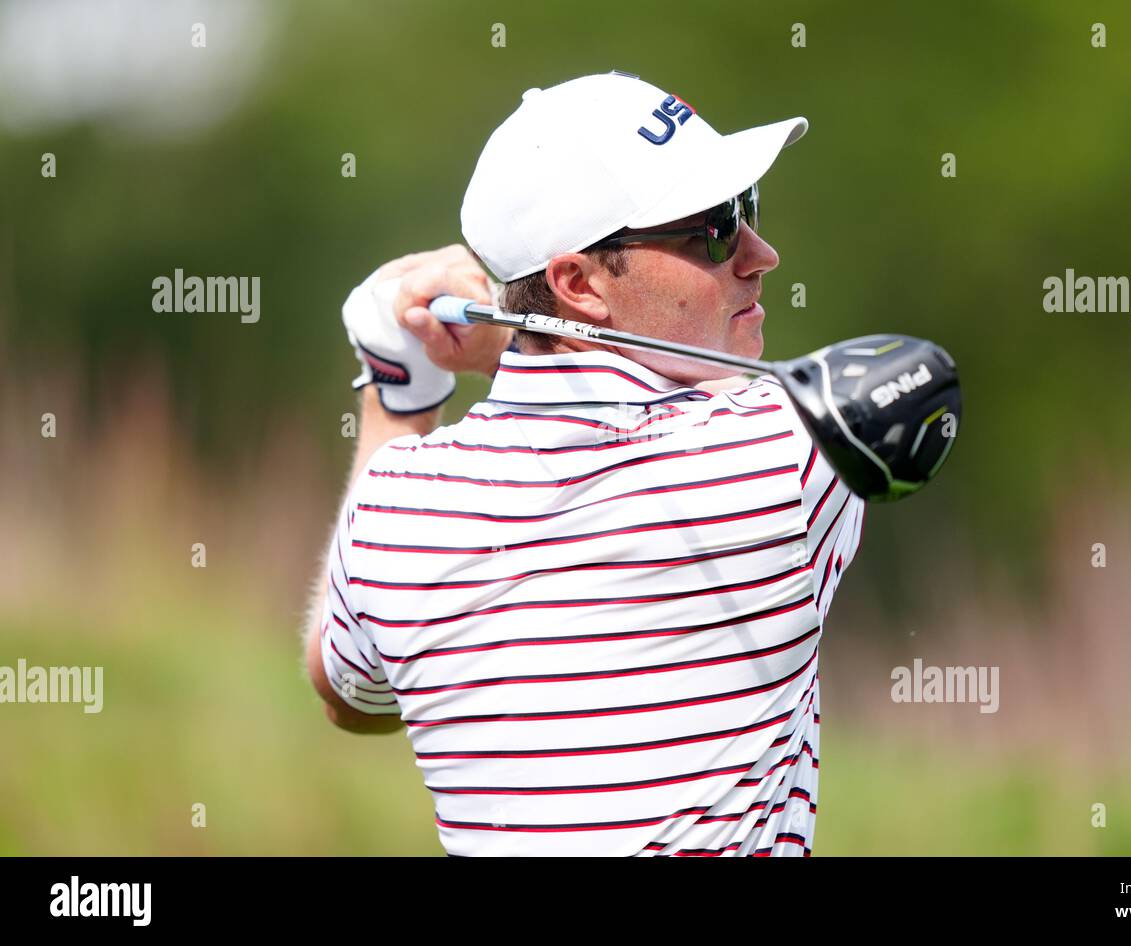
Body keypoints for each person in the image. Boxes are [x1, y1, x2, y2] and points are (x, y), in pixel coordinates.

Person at [304, 72, 865, 856]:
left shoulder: (397, 503)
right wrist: (506, 346)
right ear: (578, 283)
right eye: (713, 229)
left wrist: (398, 387)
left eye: (748, 211)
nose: (760, 255)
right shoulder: (785, 452)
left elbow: (349, 694)